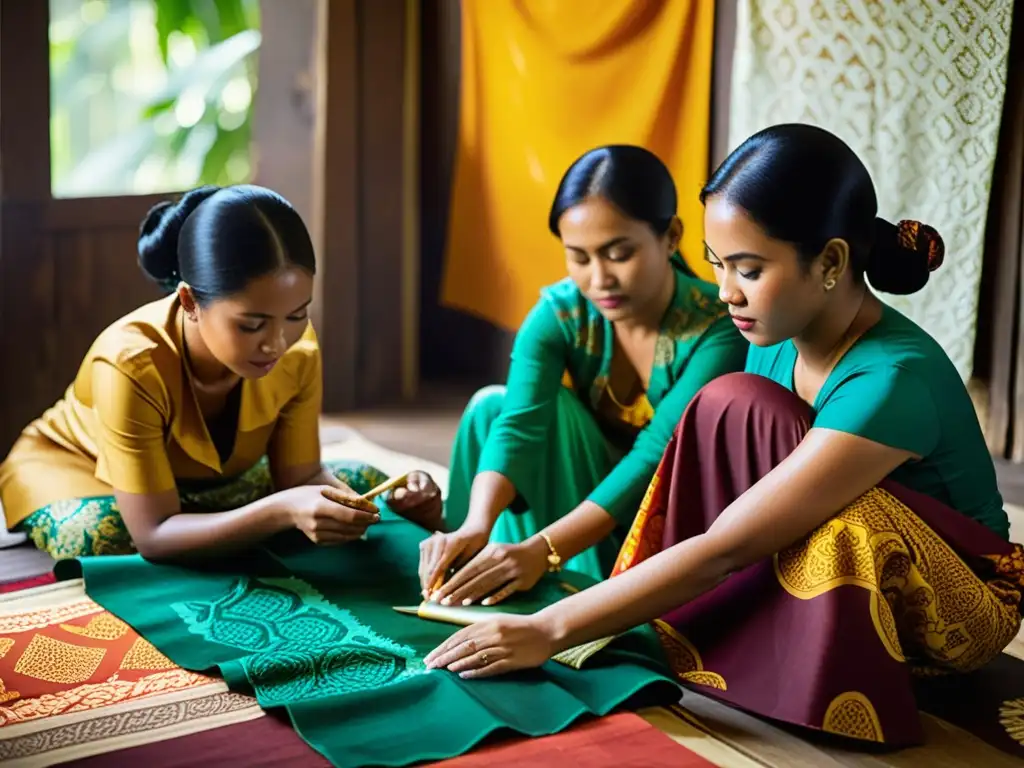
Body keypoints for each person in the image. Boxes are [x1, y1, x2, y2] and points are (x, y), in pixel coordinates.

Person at [422, 124, 1024, 747]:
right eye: (717, 265)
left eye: (749, 269)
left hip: (959, 605)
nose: (725, 292)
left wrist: (550, 630)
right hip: (821, 554)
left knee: (826, 506)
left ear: (832, 261)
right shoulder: (772, 339)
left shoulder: (892, 378)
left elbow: (729, 545)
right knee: (727, 405)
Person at [0, 184, 442, 561]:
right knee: (101, 534)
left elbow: (300, 477)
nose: (277, 343)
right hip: (80, 470)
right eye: (251, 325)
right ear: (190, 302)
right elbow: (153, 534)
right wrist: (280, 511)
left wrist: (390, 498)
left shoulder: (297, 350)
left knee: (367, 486)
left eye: (297, 315)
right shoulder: (131, 362)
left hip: (213, 483)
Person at [419, 145, 748, 599]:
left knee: (556, 421)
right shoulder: (561, 313)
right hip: (579, 499)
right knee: (491, 408)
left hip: (663, 515)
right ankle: (471, 559)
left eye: (618, 254)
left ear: (671, 236)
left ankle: (566, 577)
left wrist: (545, 549)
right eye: (579, 257)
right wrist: (478, 523)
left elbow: (656, 456)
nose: (598, 279)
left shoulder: (717, 328)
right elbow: (519, 425)